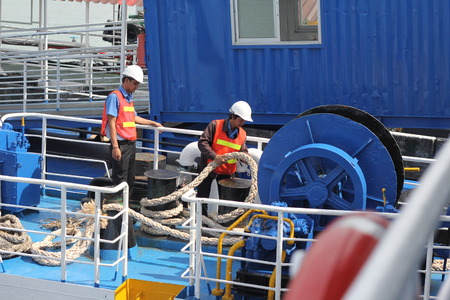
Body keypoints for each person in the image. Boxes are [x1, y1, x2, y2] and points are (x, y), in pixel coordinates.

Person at [101, 65, 163, 197]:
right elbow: (111, 122)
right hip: (121, 144)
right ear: (126, 80)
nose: (136, 87)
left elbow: (133, 118)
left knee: (129, 179)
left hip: (130, 144)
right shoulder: (115, 97)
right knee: (120, 179)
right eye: (135, 83)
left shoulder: (128, 99)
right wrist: (115, 147)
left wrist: (153, 123)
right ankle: (117, 211)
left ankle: (125, 208)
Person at [197, 100, 253, 213]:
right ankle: (201, 221)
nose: (243, 123)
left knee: (227, 200)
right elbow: (202, 142)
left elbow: (243, 150)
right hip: (208, 167)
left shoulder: (242, 134)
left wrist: (245, 157)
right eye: (241, 120)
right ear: (233, 116)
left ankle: (222, 222)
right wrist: (214, 156)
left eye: (244, 120)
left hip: (228, 171)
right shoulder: (215, 125)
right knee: (202, 197)